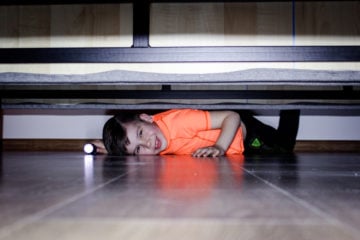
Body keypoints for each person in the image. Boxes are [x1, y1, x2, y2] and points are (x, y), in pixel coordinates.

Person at [94, 109, 300, 157]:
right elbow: (128, 148)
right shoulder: (155, 142)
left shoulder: (180, 122)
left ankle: (292, 103)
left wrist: (219, 146)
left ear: (148, 118)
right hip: (237, 151)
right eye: (138, 149)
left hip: (245, 133)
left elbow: (232, 116)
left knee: (285, 146)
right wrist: (110, 149)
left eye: (141, 133)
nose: (148, 144)